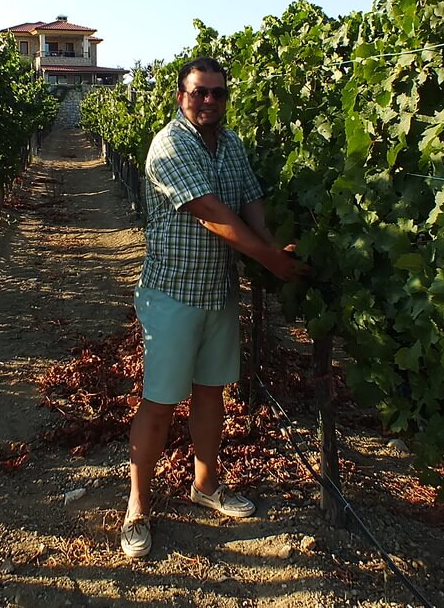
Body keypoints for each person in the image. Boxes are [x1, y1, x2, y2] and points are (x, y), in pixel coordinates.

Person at [121, 56, 308, 559]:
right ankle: (137, 506)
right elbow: (210, 212)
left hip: (219, 291)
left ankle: (206, 486)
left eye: (218, 93)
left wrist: (270, 243)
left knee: (211, 395)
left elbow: (248, 197)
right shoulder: (169, 145)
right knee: (159, 404)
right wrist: (270, 259)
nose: (209, 101)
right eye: (200, 92)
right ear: (181, 95)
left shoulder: (231, 144)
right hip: (173, 295)